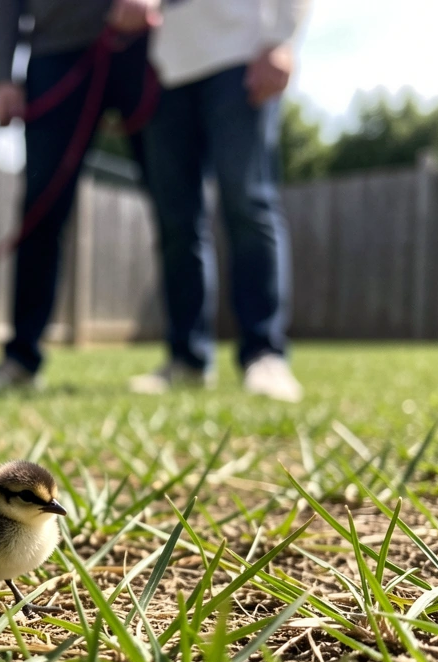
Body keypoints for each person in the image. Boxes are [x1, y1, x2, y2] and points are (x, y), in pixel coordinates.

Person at [0, 0, 163, 391]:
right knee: (40, 210)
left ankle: (190, 356)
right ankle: (20, 358)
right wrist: (4, 76)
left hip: (143, 42)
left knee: (175, 198)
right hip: (52, 53)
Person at [129, 0, 312, 402]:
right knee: (176, 220)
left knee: (248, 203)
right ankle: (187, 358)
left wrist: (281, 39)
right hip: (165, 70)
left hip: (240, 55)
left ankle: (264, 353)